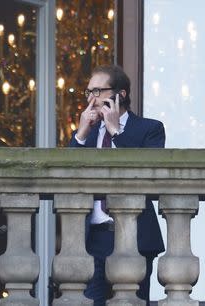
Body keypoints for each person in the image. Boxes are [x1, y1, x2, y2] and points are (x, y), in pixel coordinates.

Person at [69, 65, 165, 305]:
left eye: (98, 91)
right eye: (89, 92)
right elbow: (68, 175)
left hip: (135, 235)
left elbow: (148, 174)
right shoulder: (89, 133)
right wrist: (80, 134)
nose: (91, 99)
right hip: (96, 237)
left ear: (120, 94)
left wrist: (116, 131)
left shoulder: (150, 129)